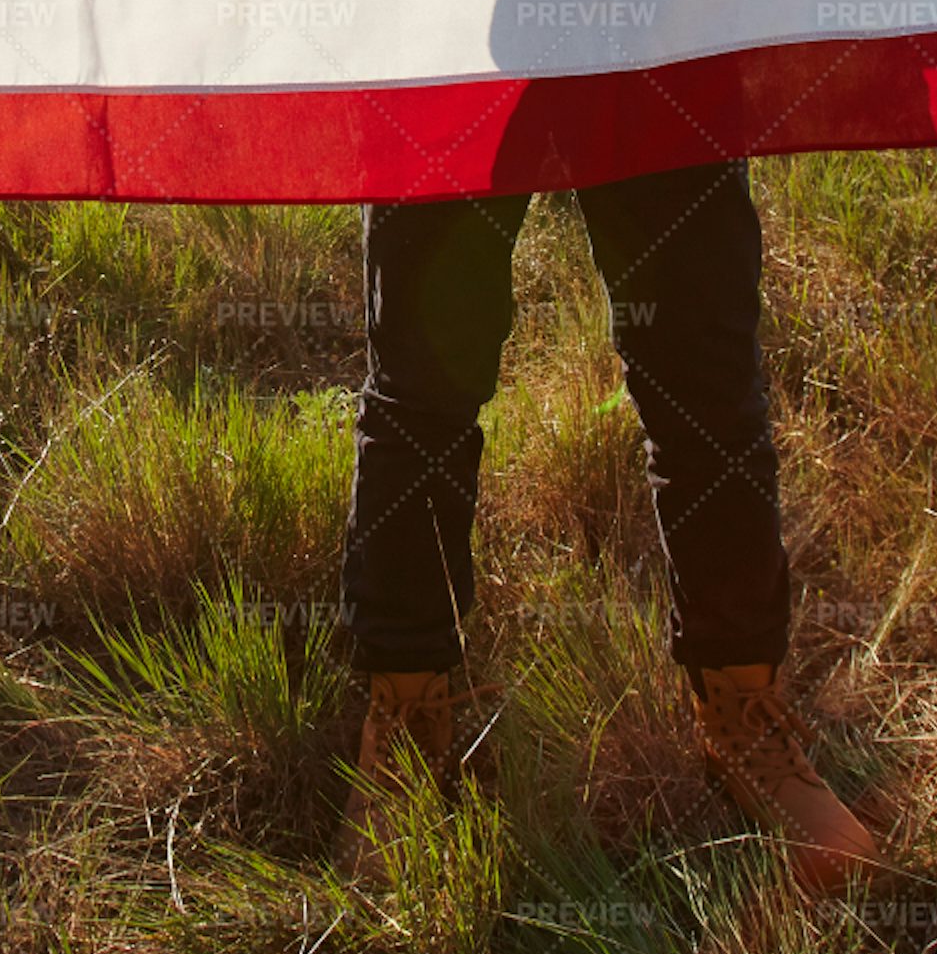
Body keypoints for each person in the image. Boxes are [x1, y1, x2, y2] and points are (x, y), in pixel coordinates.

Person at [337, 157, 879, 883]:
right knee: (421, 378)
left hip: (660, 48)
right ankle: (405, 724)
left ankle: (743, 713)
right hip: (463, 52)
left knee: (705, 371)